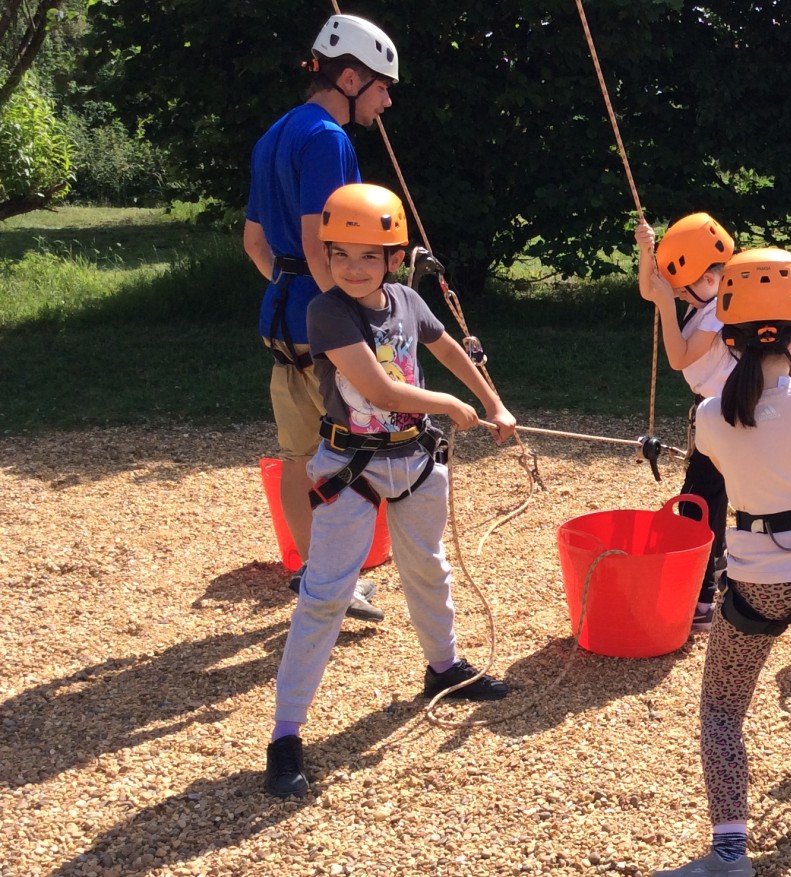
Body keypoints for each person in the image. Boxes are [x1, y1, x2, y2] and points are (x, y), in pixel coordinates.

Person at [264, 184, 518, 798]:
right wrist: (451, 405)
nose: (353, 268)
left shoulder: (406, 299)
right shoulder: (328, 312)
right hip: (353, 467)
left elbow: (446, 347)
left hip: (415, 460)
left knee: (428, 567)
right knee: (326, 594)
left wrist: (493, 403)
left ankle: (443, 667)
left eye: (368, 256)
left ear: (394, 259)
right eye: (341, 255)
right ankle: (285, 734)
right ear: (327, 256)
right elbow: (378, 390)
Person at [655, 249, 791, 877]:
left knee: (723, 710)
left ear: (730, 338)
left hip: (761, 582)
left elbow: (735, 462)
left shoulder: (710, 415)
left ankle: (729, 853)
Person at [242, 13, 399, 621]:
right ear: (350, 79)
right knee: (353, 451)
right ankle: (334, 581)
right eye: (383, 87)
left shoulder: (274, 134)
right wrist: (352, 316)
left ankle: (313, 574)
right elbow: (319, 244)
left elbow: (256, 243)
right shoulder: (329, 139)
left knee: (296, 455)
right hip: (323, 325)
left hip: (281, 319)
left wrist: (292, 291)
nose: (386, 102)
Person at [635, 213, 737, 631]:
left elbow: (678, 358)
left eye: (682, 291)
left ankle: (703, 598)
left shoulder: (720, 312)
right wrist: (646, 251)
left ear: (708, 279)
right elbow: (651, 289)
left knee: (698, 501)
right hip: (716, 412)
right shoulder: (709, 299)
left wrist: (666, 304)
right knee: (712, 497)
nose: (678, 296)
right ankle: (718, 577)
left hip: (727, 416)